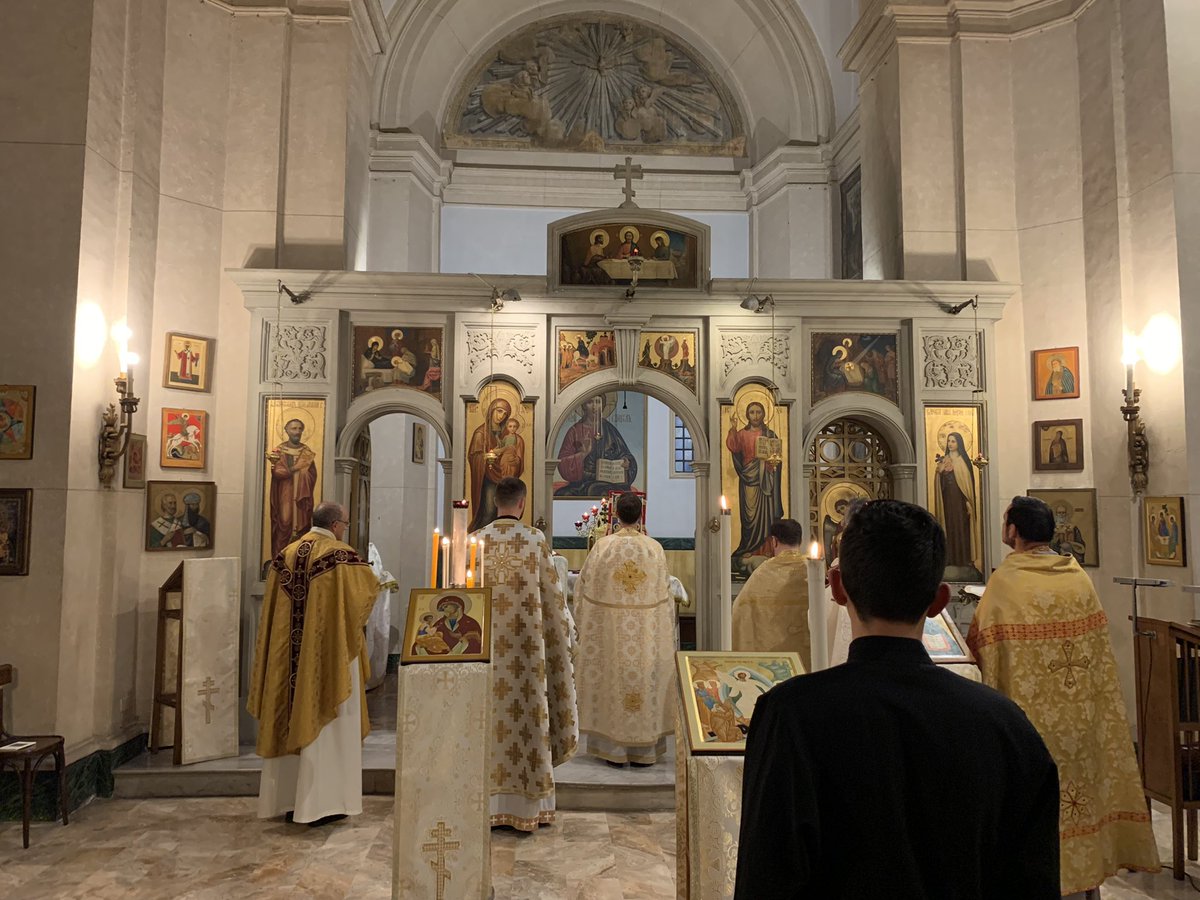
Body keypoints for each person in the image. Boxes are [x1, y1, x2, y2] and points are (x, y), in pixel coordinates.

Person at [735, 500, 1060, 899]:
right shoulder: (1006, 725)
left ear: (837, 588)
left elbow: (767, 878)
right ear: (940, 601)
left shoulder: (790, 716)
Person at [968, 497, 1160, 895]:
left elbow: (981, 648)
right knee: (1082, 801)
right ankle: (1087, 881)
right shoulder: (1078, 578)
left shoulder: (1005, 582)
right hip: (1082, 724)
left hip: (1031, 728)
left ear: (1013, 532)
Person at [248, 501, 379, 825]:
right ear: (336, 525)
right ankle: (325, 803)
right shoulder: (341, 557)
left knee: (288, 710)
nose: (344, 530)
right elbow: (366, 594)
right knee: (329, 724)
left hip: (287, 662)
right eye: (345, 524)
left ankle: (289, 800)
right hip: (327, 660)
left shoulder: (284, 556)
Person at [474, 477, 577, 830]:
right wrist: (564, 636)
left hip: (483, 654)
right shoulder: (535, 541)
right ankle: (527, 808)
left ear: (494, 501)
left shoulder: (475, 542)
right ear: (522, 504)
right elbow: (554, 603)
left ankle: (484, 802)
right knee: (526, 719)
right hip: (527, 657)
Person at [574, 492, 674, 766]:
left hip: (612, 634)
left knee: (612, 681)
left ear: (616, 514)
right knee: (644, 682)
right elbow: (665, 596)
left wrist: (588, 625)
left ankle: (613, 750)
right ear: (639, 515)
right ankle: (644, 752)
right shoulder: (654, 549)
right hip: (644, 637)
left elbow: (583, 592)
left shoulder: (602, 547)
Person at [731, 518, 811, 665]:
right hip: (808, 663)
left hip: (772, 665)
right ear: (800, 540)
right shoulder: (812, 570)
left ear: (773, 541)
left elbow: (739, 613)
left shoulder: (763, 572)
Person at [725, 401, 784, 573]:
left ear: (764, 414)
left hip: (765, 479)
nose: (756, 415)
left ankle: (765, 550)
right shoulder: (742, 434)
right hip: (748, 480)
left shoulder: (769, 434)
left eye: (759, 412)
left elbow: (776, 457)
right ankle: (748, 548)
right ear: (747, 415)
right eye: (752, 412)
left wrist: (771, 465)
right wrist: (733, 429)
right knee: (750, 518)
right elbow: (733, 446)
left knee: (765, 516)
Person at [555, 394, 637, 496]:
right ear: (584, 406)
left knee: (606, 493)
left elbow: (625, 455)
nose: (594, 407)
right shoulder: (574, 431)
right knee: (563, 494)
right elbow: (562, 463)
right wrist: (583, 454)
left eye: (598, 402)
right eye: (590, 402)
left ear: (603, 405)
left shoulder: (610, 429)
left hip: (607, 482)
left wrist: (627, 462)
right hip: (582, 483)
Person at [267, 418, 318, 560]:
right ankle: (279, 560)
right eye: (293, 428)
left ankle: (300, 561)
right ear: (286, 431)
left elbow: (313, 474)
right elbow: (277, 472)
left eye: (299, 429)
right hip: (285, 494)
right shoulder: (279, 450)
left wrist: (305, 474)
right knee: (284, 523)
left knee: (303, 526)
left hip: (302, 497)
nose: (297, 432)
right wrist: (296, 468)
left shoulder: (306, 452)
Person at [467, 397, 520, 531]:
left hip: (504, 476)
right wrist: (486, 457)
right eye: (499, 411)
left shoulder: (508, 433)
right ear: (491, 410)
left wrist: (516, 461)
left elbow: (516, 453)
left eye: (504, 414)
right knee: (489, 511)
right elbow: (474, 457)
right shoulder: (480, 433)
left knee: (502, 513)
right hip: (488, 479)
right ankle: (482, 542)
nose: (501, 416)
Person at [934, 431, 976, 574]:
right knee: (949, 526)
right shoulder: (943, 460)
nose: (950, 444)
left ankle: (963, 558)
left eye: (953, 441)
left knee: (961, 527)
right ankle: (950, 558)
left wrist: (968, 502)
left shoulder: (963, 461)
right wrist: (941, 472)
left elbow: (967, 485)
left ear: (959, 443)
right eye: (949, 441)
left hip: (959, 502)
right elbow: (939, 483)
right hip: (947, 501)